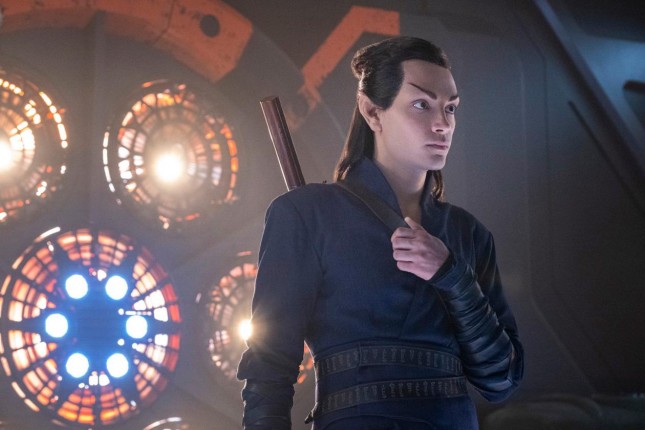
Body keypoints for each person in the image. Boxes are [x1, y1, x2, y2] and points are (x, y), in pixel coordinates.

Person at [237, 36, 524, 430]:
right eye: (421, 104)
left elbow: (502, 379)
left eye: (451, 108)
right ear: (372, 111)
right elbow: (269, 366)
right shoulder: (306, 214)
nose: (442, 124)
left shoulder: (468, 234)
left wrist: (452, 275)